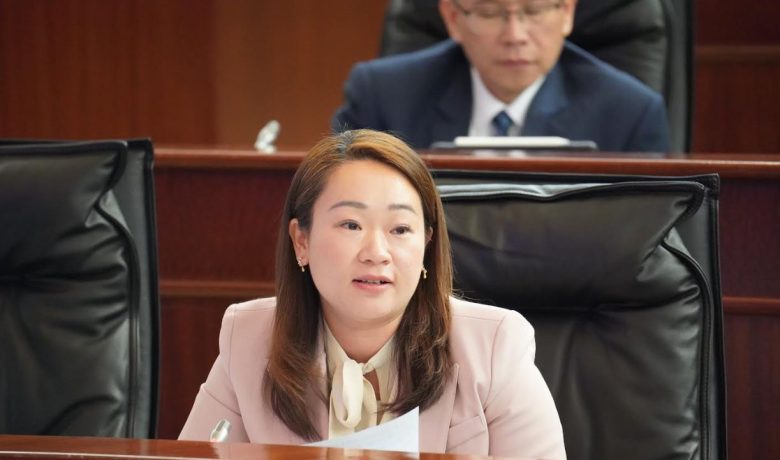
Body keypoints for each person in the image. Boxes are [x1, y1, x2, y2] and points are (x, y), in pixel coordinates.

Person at [179, 129, 566, 458]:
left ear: (427, 245)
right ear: (301, 241)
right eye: (351, 225)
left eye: (400, 229)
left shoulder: (493, 349)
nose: (377, 253)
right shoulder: (248, 339)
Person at [332, 0, 670, 153]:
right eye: (490, 13)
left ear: (567, 12)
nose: (515, 35)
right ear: (453, 18)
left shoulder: (629, 113)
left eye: (534, 10)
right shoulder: (382, 96)